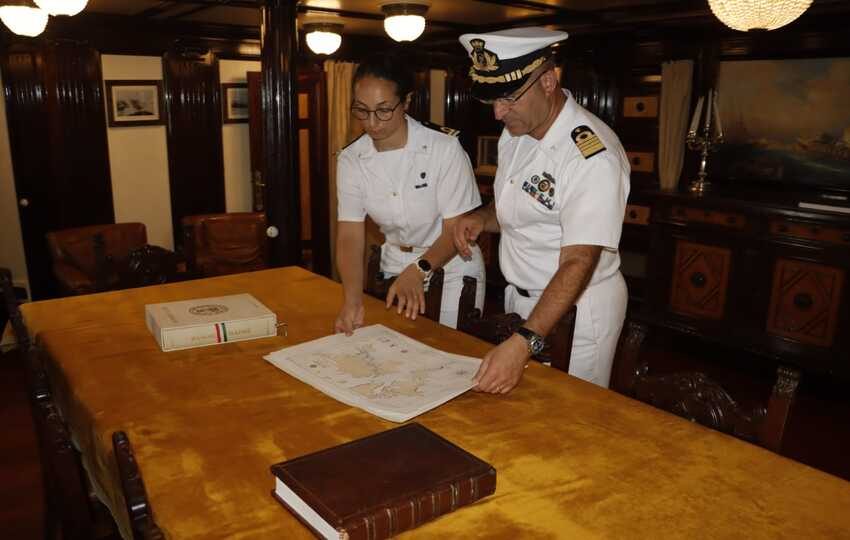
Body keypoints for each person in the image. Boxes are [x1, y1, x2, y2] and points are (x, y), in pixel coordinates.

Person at [454, 28, 630, 393]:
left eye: (509, 98)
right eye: (493, 100)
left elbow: (579, 260)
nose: (499, 113)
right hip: (520, 300)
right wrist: (481, 218)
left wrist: (524, 343)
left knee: (568, 417)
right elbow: (519, 209)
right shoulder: (515, 134)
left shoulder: (591, 157)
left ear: (548, 82)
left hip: (577, 311)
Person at [334, 52, 486, 334]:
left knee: (447, 352)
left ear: (406, 102)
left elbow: (456, 230)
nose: (372, 122)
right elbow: (349, 235)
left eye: (383, 110)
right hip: (396, 264)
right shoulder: (351, 159)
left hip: (451, 266)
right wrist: (351, 300)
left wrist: (419, 270)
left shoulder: (443, 148)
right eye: (362, 110)